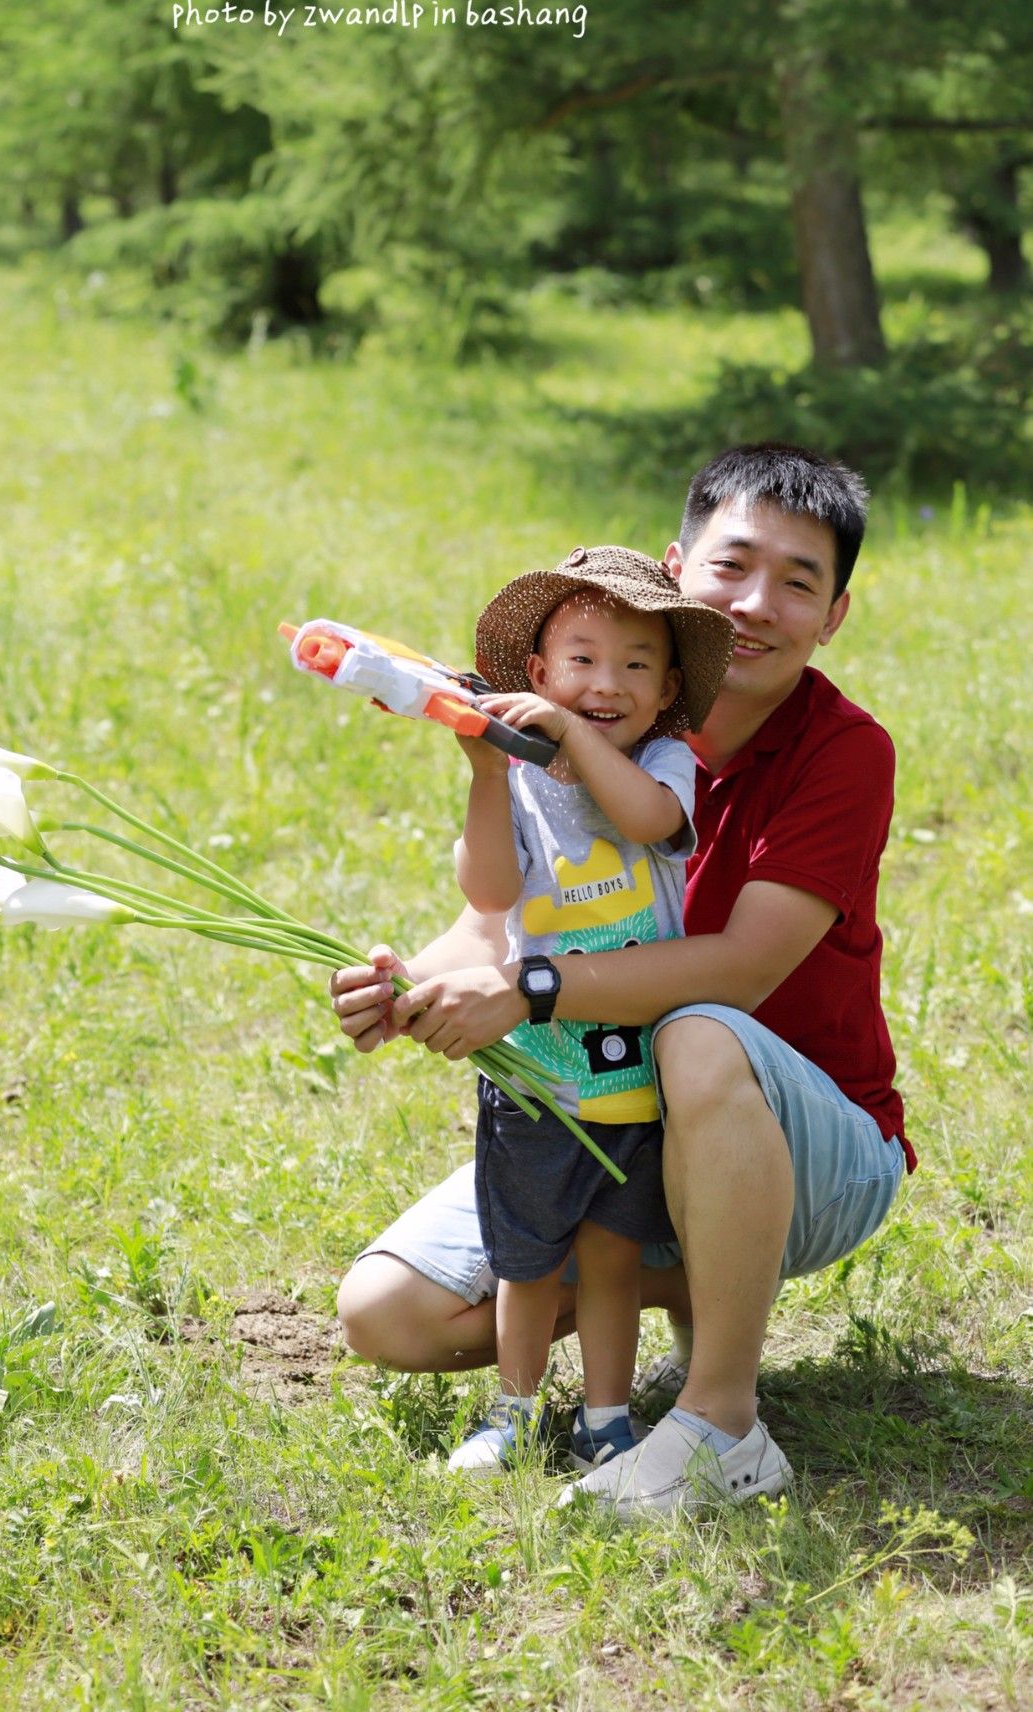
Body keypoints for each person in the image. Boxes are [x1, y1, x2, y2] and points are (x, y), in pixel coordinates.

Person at [331, 444, 914, 1519]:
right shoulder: (592, 727)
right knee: (386, 1312)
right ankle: (665, 1275)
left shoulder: (843, 751)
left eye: (799, 582)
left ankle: (723, 1420)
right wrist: (408, 982)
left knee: (697, 1026)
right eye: (733, 565)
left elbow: (740, 969)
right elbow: (493, 921)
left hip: (804, 1137)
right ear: (675, 565)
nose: (756, 603)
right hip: (613, 1117)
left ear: (833, 615)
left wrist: (534, 990)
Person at [447, 547, 736, 1474]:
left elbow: (648, 823)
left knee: (612, 1253)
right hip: (537, 1061)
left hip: (634, 1063)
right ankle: (514, 1409)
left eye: (635, 665)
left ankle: (605, 1416)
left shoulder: (663, 763)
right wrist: (488, 772)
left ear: (667, 692)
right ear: (536, 676)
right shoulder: (521, 776)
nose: (605, 684)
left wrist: (570, 740)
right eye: (580, 660)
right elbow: (490, 893)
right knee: (527, 1259)